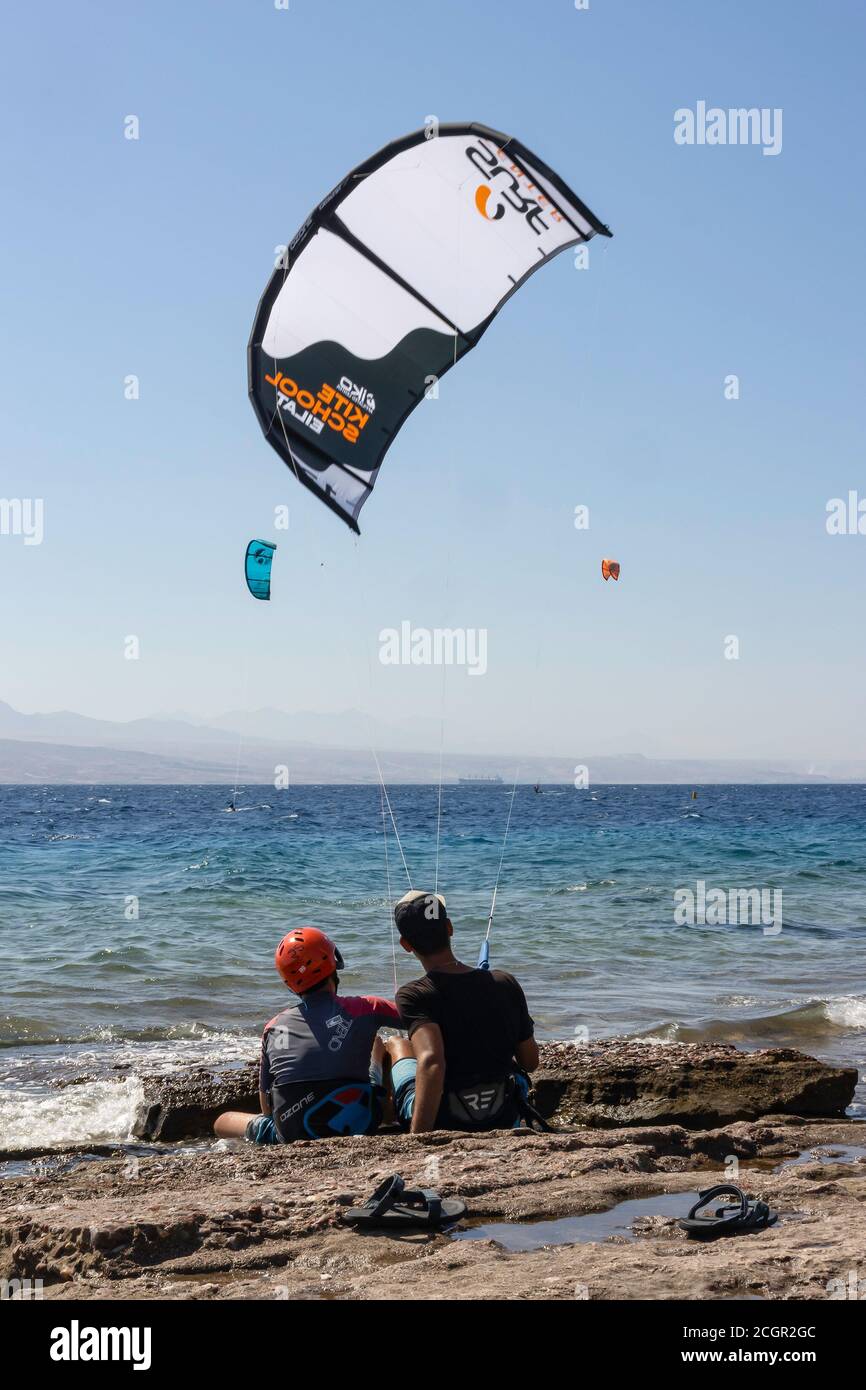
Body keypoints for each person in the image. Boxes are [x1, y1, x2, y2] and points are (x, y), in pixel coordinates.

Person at [214, 926, 400, 1144]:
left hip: (293, 1132)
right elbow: (417, 1019)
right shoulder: (367, 1007)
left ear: (289, 982)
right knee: (379, 1044)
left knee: (223, 1121)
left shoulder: (274, 1028)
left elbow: (267, 1108)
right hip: (361, 1119)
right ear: (332, 961)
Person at [383, 890, 540, 1134]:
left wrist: (420, 1138)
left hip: (446, 1118)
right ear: (449, 928)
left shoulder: (413, 994)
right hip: (501, 1113)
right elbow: (530, 1062)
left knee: (396, 1044)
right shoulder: (505, 982)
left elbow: (432, 1060)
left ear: (406, 945)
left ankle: (386, 1120)